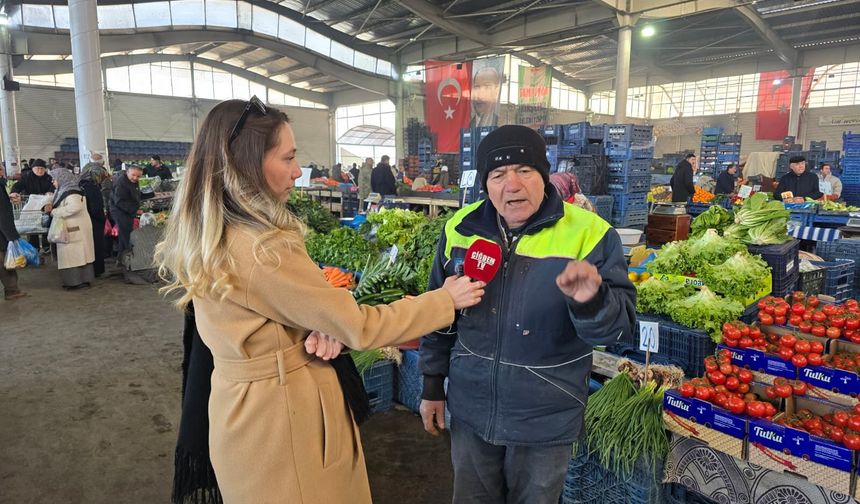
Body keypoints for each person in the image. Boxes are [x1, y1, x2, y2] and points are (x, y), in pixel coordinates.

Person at [154, 97, 485, 504]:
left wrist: (311, 324)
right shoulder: (262, 250)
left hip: (244, 416)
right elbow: (361, 325)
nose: (297, 171)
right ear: (246, 164)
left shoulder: (215, 232)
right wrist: (443, 300)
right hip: (286, 423)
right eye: (288, 158)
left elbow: (261, 314)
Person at [419, 125, 636, 504]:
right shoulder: (460, 228)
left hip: (545, 418)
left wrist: (592, 300)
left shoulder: (591, 234)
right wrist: (432, 385)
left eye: (524, 171)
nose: (512, 185)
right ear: (485, 184)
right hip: (471, 411)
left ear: (544, 175)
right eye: (498, 175)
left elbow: (618, 329)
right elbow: (439, 313)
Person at [48, 168, 95, 289]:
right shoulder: (66, 190)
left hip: (75, 228)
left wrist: (55, 212)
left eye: (54, 179)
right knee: (75, 256)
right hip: (74, 227)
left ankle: (76, 282)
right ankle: (77, 281)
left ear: (62, 179)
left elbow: (74, 207)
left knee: (75, 257)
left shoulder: (72, 192)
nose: (53, 182)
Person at [111, 165, 153, 263]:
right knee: (126, 235)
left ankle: (121, 259)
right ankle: (129, 260)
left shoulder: (132, 182)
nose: (135, 178)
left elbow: (136, 194)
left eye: (138, 176)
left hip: (127, 210)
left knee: (124, 235)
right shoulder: (121, 183)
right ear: (127, 173)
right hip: (120, 211)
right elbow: (120, 202)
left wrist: (151, 194)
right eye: (133, 175)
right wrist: (135, 211)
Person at [79, 162, 110, 277]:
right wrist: (103, 218)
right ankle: (98, 270)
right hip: (94, 222)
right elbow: (96, 208)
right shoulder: (92, 188)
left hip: (84, 220)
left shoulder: (80, 184)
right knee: (97, 246)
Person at [0, 165, 26, 300]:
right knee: (6, 264)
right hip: (2, 235)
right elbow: (2, 215)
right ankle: (12, 291)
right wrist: (11, 236)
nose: (3, 173)